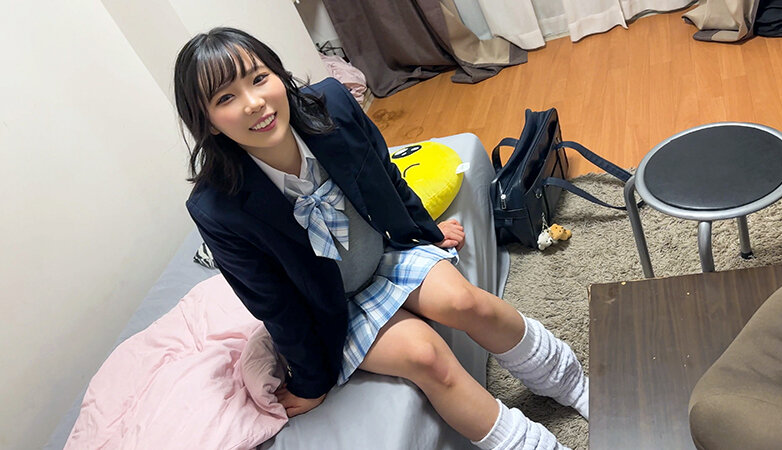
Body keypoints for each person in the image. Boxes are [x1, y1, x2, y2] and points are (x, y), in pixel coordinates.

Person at [173, 27, 588, 450]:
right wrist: (311, 383)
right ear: (208, 122)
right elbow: (275, 305)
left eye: (259, 78)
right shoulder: (216, 209)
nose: (254, 102)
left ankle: (573, 383)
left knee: (466, 302)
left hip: (385, 253)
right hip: (331, 309)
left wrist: (426, 230)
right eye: (226, 98)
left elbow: (386, 174)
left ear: (278, 75)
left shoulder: (333, 105)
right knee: (426, 357)